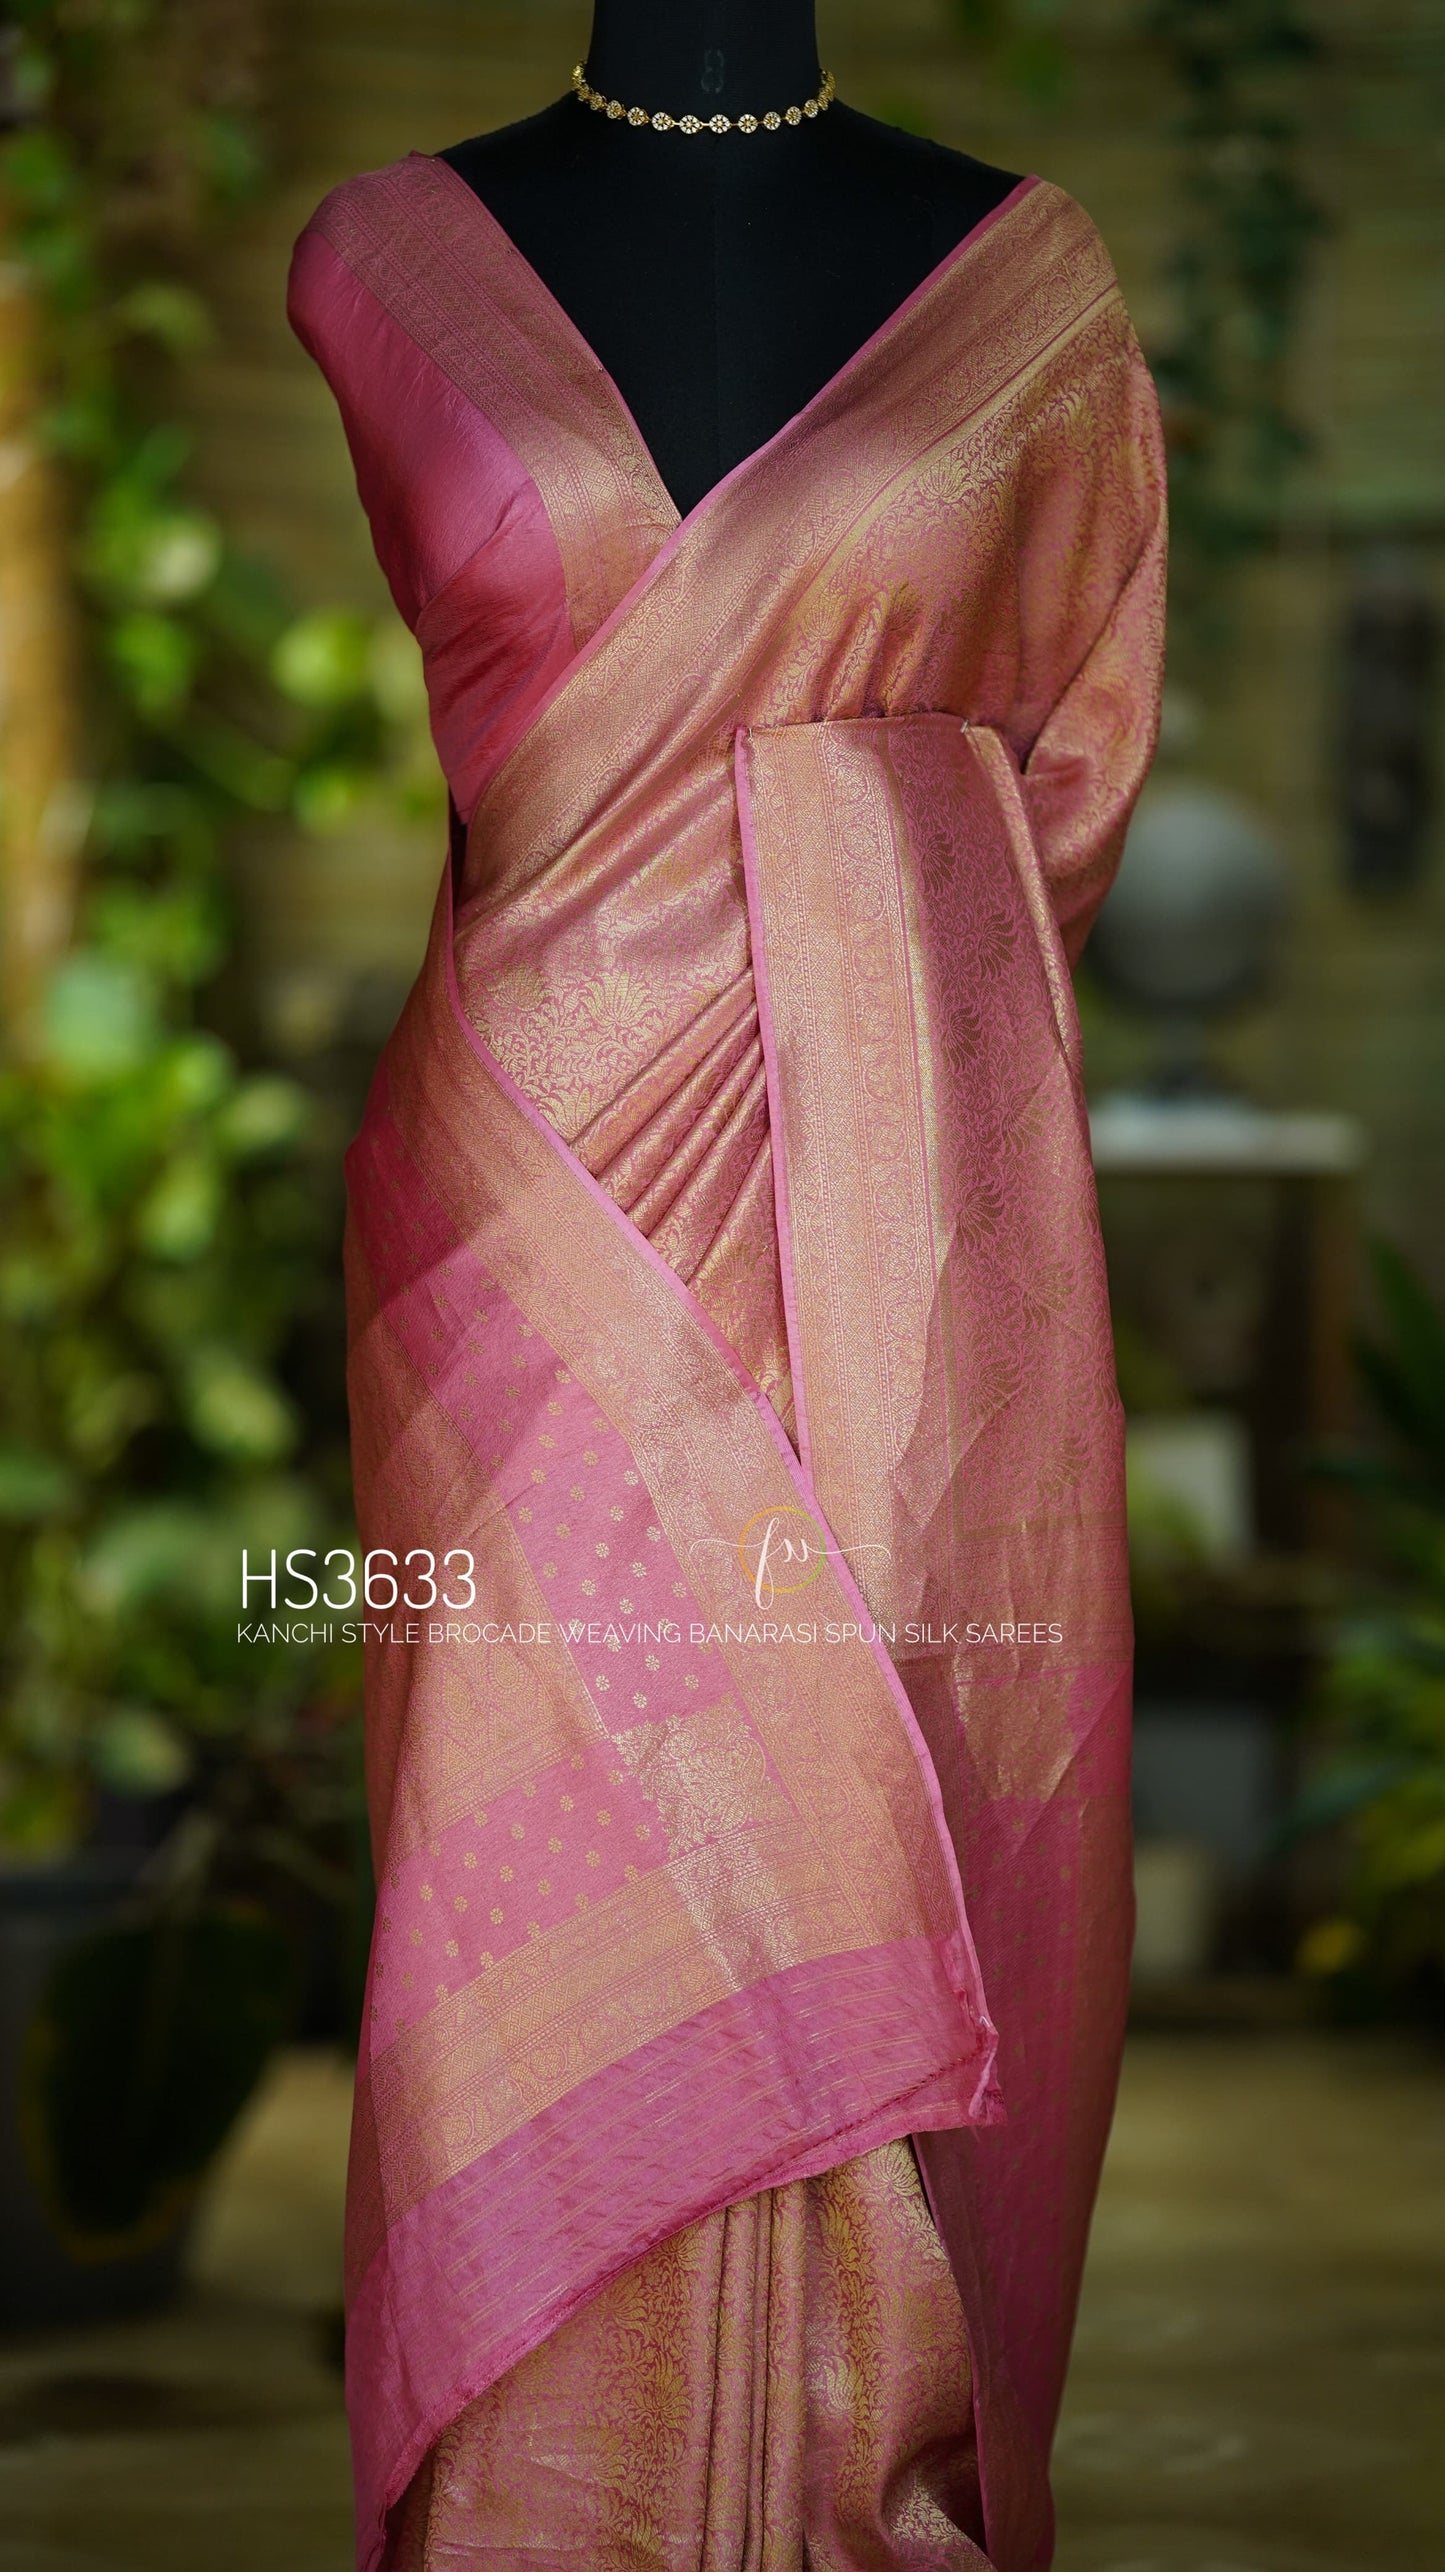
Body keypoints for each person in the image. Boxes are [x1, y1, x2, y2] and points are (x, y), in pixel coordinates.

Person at [288, 4, 1165, 2562]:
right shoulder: (384, 263)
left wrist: (904, 1071)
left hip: (900, 1203)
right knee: (552, 1842)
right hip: (534, 1189)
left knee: (868, 1807)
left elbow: (1078, 753)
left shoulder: (1025, 288)